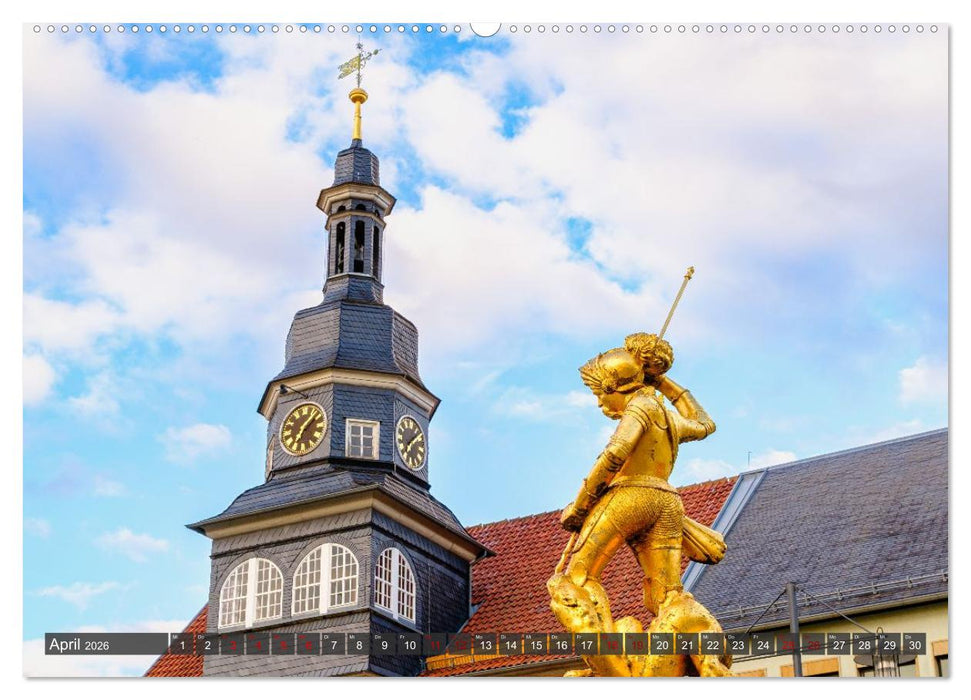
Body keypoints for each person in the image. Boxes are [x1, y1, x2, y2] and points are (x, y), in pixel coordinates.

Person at [559, 334, 716, 627]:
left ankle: (605, 661)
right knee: (667, 596)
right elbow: (705, 424)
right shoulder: (667, 418)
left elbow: (614, 455)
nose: (599, 402)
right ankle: (677, 654)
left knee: (575, 580)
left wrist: (580, 507)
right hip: (667, 503)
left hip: (630, 497)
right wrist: (663, 383)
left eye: (599, 393)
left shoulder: (639, 408)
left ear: (615, 386)